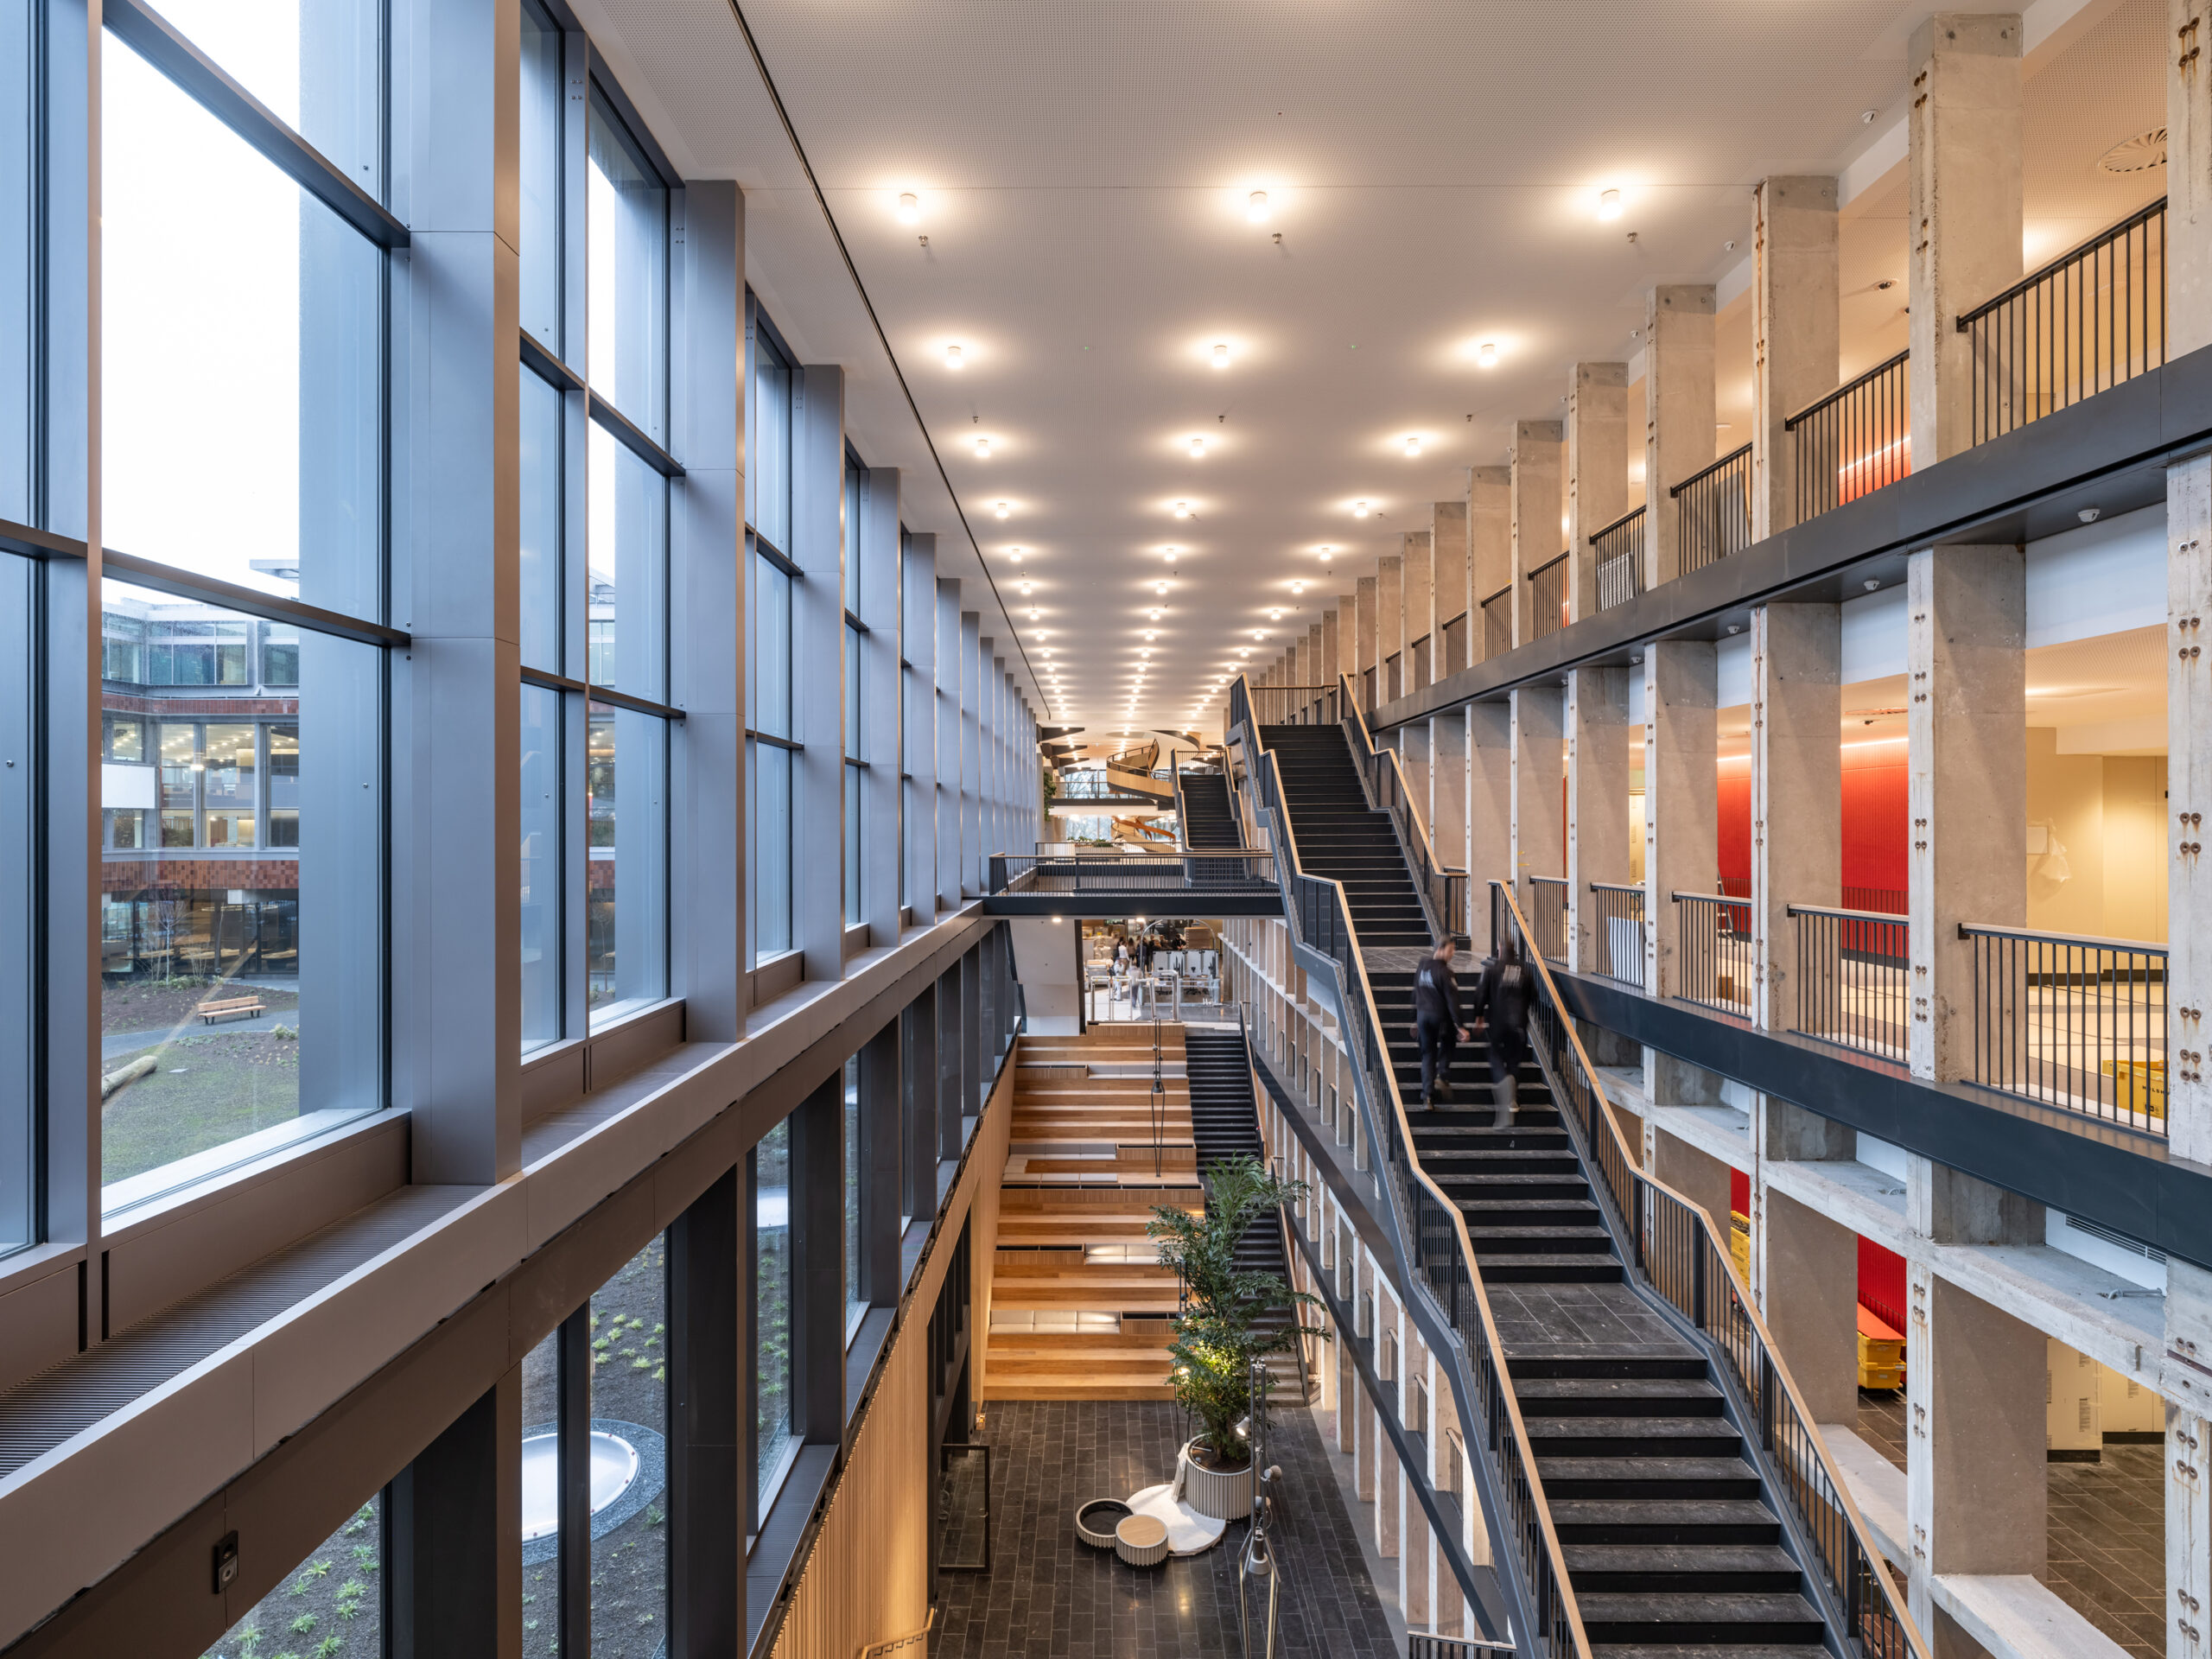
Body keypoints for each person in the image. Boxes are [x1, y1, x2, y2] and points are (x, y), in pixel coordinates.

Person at [1466, 936, 1534, 1128]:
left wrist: (1478, 1017)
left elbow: (1480, 994)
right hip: (1519, 1024)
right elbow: (1533, 996)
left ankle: (1504, 1081)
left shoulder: (1492, 969)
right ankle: (1513, 1098)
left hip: (1498, 1023)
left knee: (1495, 1055)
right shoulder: (1525, 970)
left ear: (1500, 949)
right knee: (1514, 1060)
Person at [1411, 938, 1469, 1108]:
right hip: (1440, 1017)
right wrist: (1461, 1026)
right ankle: (1442, 1074)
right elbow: (1453, 1001)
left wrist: (1414, 1019)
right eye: (1451, 950)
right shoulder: (1446, 973)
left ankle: (1427, 1097)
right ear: (1441, 949)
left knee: (1428, 1055)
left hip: (1423, 1017)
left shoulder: (1422, 966)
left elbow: (1415, 993)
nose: (1452, 954)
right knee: (1449, 1041)